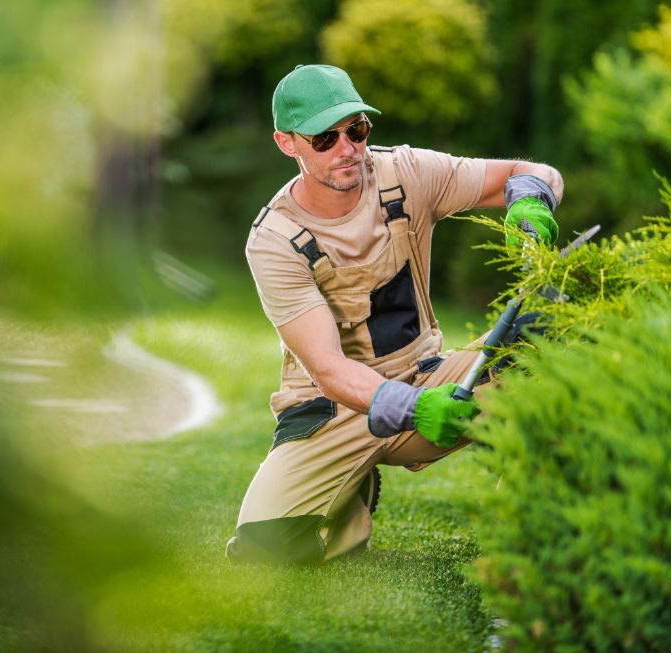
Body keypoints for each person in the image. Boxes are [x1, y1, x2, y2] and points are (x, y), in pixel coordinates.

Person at [225, 64, 563, 565]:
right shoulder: (275, 240)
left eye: (356, 129)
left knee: (555, 346)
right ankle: (351, 495)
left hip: (430, 376)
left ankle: (527, 524)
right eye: (324, 138)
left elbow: (535, 172)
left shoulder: (407, 172)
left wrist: (530, 203)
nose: (347, 149)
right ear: (287, 143)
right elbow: (329, 370)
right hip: (333, 408)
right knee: (264, 551)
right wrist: (415, 409)